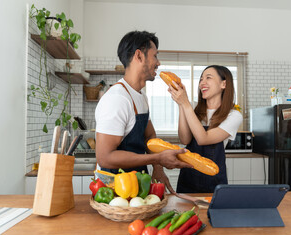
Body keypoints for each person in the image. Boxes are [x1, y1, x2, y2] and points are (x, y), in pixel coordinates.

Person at [95, 30, 192, 186]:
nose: (158, 63)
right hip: (114, 189)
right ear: (139, 56)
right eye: (155, 56)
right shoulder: (117, 99)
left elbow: (149, 136)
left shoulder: (141, 96)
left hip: (137, 183)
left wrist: (158, 168)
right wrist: (157, 158)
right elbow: (105, 157)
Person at [168, 65, 243, 193]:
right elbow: (185, 138)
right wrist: (182, 104)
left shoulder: (233, 115)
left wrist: (185, 104)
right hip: (188, 178)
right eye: (201, 79)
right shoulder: (192, 108)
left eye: (208, 78)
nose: (202, 82)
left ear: (223, 84)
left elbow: (203, 138)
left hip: (213, 181)